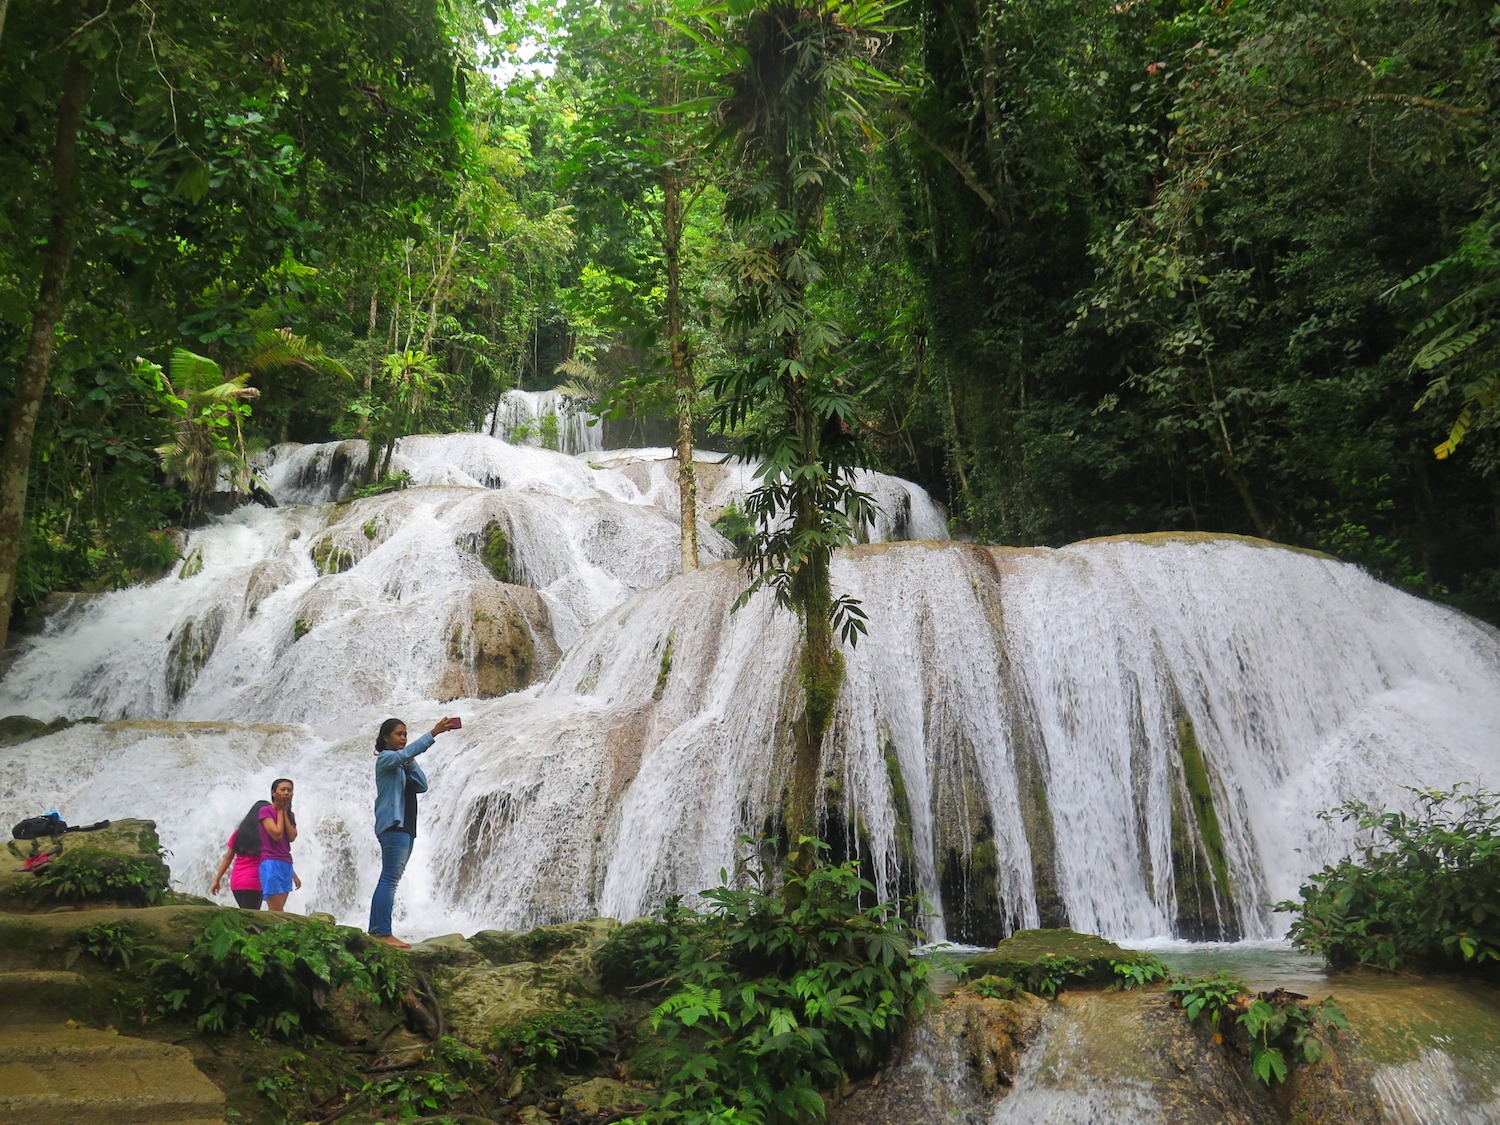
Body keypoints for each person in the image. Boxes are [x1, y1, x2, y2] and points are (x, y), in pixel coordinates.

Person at [369, 715, 461, 948]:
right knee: (389, 878)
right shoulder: (386, 759)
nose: (403, 738)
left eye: (405, 734)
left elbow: (422, 785)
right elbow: (402, 755)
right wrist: (434, 733)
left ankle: (380, 930)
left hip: (406, 827)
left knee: (392, 878)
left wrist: (409, 761)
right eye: (399, 734)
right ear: (385, 738)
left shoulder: (401, 763)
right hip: (393, 826)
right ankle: (380, 932)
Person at [209, 800, 269, 909]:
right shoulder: (266, 835)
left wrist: (216, 880)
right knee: (251, 919)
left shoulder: (239, 833)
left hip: (237, 882)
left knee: (246, 915)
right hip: (254, 881)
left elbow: (227, 859)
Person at [258, 778, 300, 911]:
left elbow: (292, 836)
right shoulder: (265, 811)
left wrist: (285, 812)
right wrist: (280, 812)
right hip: (270, 862)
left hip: (286, 863)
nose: (286, 793)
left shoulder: (290, 814)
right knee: (277, 911)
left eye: (289, 790)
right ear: (273, 793)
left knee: (279, 908)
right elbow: (277, 834)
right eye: (283, 790)